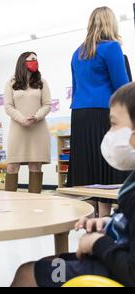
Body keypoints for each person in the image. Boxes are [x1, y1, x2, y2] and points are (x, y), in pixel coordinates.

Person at [11, 82, 135, 287]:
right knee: (49, 263)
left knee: (27, 273)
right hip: (113, 257)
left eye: (113, 124)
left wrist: (96, 243)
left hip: (115, 270)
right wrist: (107, 224)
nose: (109, 132)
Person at [67, 6, 130, 217]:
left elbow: (75, 88)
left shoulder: (77, 52)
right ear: (110, 23)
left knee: (88, 164)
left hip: (79, 115)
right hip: (103, 112)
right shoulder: (111, 48)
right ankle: (104, 216)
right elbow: (122, 87)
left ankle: (91, 214)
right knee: (106, 161)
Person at [4, 52, 52, 193]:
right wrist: (21, 119)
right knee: (12, 166)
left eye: (36, 59)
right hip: (17, 129)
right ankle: (10, 204)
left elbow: (47, 105)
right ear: (22, 62)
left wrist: (36, 117)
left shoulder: (42, 82)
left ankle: (34, 204)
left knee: (35, 166)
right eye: (32, 59)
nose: (35, 62)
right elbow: (8, 106)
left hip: (38, 129)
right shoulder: (11, 83)